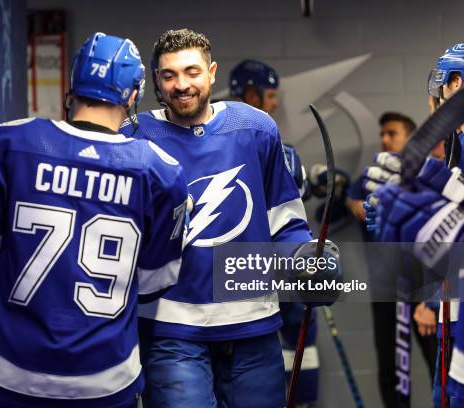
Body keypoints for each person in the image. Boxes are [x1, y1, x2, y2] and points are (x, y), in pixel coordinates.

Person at [0, 32, 188, 408]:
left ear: (73, 84)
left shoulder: (11, 142)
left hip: (6, 373)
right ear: (133, 95)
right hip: (104, 380)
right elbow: (152, 284)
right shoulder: (161, 171)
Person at [121, 28, 342, 408]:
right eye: (169, 75)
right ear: (156, 80)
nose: (181, 85)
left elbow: (284, 222)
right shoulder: (135, 137)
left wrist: (308, 261)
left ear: (211, 73)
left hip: (253, 327)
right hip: (172, 330)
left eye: (192, 72)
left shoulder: (255, 128)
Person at [366, 42, 464, 407]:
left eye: (439, 91)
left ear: (456, 84)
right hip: (452, 319)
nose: (432, 104)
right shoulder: (455, 152)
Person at [229, 59, 320, 407]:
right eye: (268, 95)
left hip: (275, 266)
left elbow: (286, 197)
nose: (275, 102)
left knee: (299, 342)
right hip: (244, 275)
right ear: (251, 94)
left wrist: (310, 182)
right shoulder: (226, 146)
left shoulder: (271, 143)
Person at [349, 112, 438, 407]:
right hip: (386, 286)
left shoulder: (431, 177)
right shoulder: (369, 178)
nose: (385, 139)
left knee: (438, 359)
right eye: (382, 134)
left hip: (424, 285)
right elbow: (356, 204)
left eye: (392, 133)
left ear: (410, 138)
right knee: (391, 366)